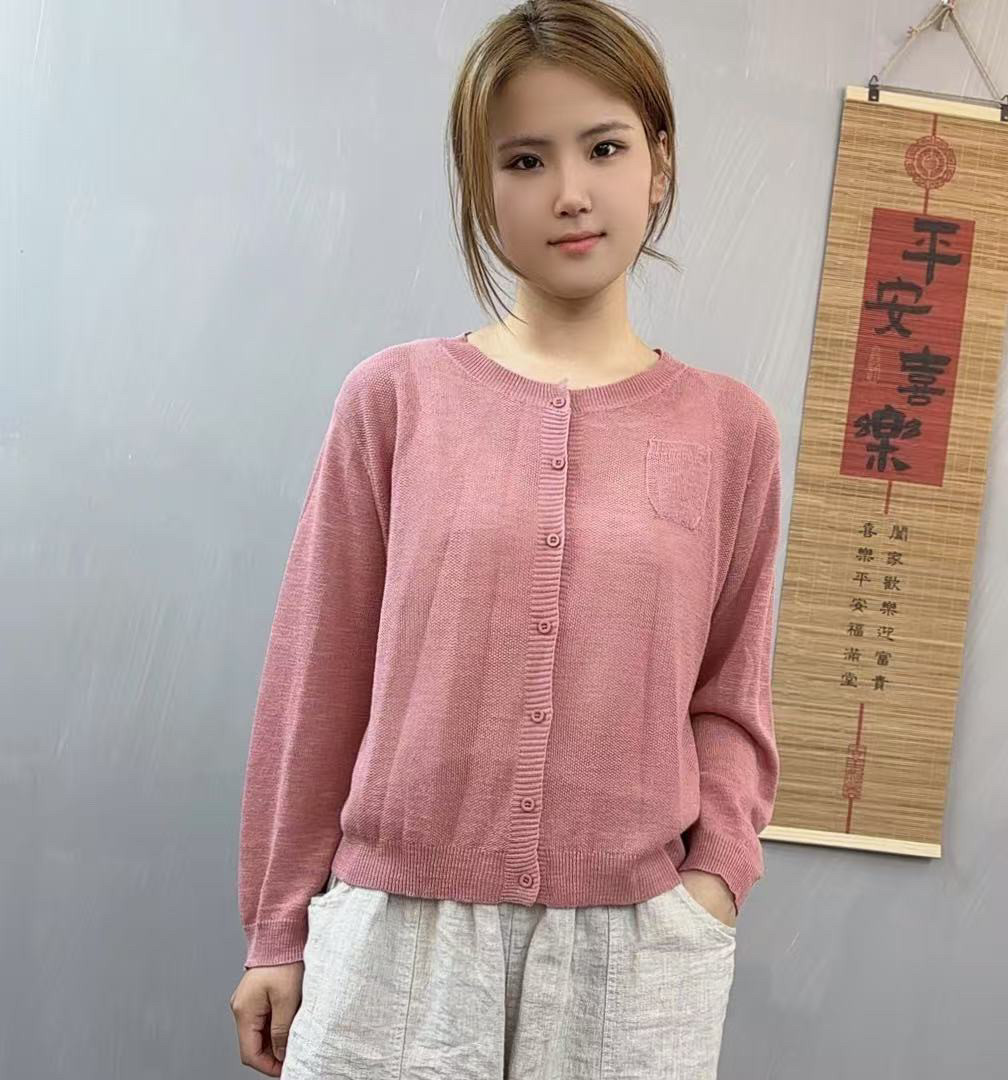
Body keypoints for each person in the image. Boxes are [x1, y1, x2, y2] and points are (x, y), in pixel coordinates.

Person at [229, 1, 783, 1076]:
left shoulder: (730, 431)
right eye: (525, 160)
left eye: (605, 148)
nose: (570, 192)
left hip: (633, 951)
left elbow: (731, 694)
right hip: (397, 935)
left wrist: (713, 881)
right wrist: (279, 925)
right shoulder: (395, 400)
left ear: (659, 163)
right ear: (481, 189)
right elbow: (318, 678)